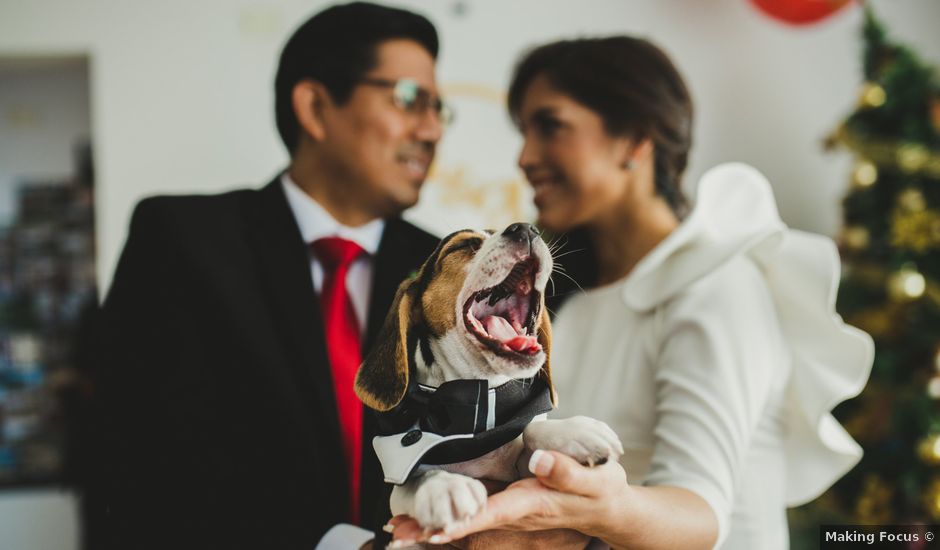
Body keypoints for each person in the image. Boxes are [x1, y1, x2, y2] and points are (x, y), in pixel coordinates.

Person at [390, 37, 873, 549]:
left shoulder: (714, 285)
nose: (526, 157)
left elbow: (701, 515)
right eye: (525, 132)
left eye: (550, 125)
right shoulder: (559, 304)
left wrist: (592, 511)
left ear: (635, 140)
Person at [84, 3, 447, 549]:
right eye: (409, 100)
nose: (432, 129)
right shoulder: (183, 240)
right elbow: (135, 459)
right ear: (316, 107)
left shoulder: (440, 267)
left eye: (440, 109)